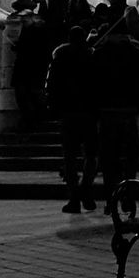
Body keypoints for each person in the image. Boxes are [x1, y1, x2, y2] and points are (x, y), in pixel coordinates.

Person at [92, 21, 139, 213]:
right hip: (130, 110)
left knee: (109, 158)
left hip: (107, 110)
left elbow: (92, 82)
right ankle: (128, 196)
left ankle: (111, 198)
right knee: (131, 158)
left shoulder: (100, 53)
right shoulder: (135, 53)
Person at [45, 25, 98, 212]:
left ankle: (74, 196)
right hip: (89, 111)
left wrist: (53, 105)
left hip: (68, 112)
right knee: (91, 155)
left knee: (70, 157)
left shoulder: (60, 57)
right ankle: (86, 189)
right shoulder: (92, 56)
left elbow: (51, 84)